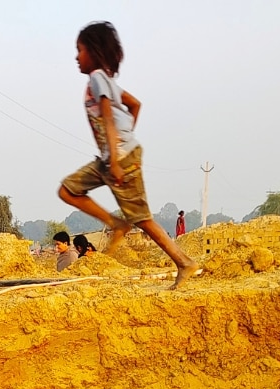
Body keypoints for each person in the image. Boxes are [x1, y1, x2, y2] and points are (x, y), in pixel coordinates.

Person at [57, 21, 199, 289]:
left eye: (80, 50)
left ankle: (184, 262)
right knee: (67, 190)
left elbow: (109, 118)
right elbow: (135, 105)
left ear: (94, 52)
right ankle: (115, 223)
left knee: (143, 219)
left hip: (118, 160)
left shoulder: (98, 79)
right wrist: (123, 140)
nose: (77, 57)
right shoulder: (105, 82)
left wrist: (118, 153)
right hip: (110, 158)